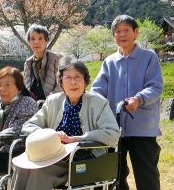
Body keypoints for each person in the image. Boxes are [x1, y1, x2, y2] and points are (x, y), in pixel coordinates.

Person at [11, 57, 120, 190]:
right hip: (52, 155)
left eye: (77, 77)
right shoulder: (53, 101)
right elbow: (28, 126)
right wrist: (50, 135)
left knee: (40, 172)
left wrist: (76, 139)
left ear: (85, 81)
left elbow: (113, 134)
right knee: (21, 167)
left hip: (82, 160)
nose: (73, 82)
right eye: (68, 77)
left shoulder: (98, 103)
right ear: (61, 82)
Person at [91, 14, 163, 190]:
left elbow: (155, 86)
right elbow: (98, 90)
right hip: (114, 128)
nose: (122, 34)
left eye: (126, 30)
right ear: (113, 36)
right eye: (117, 31)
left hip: (143, 128)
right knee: (116, 173)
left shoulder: (149, 57)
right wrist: (91, 103)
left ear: (136, 32)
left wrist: (139, 99)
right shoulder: (109, 62)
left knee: (146, 173)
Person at [24, 24, 62, 101]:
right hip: (33, 104)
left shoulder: (56, 58)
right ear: (29, 41)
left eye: (40, 38)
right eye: (32, 39)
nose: (36, 42)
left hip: (53, 102)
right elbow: (26, 86)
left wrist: (48, 100)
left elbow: (61, 84)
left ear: (46, 40)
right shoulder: (28, 63)